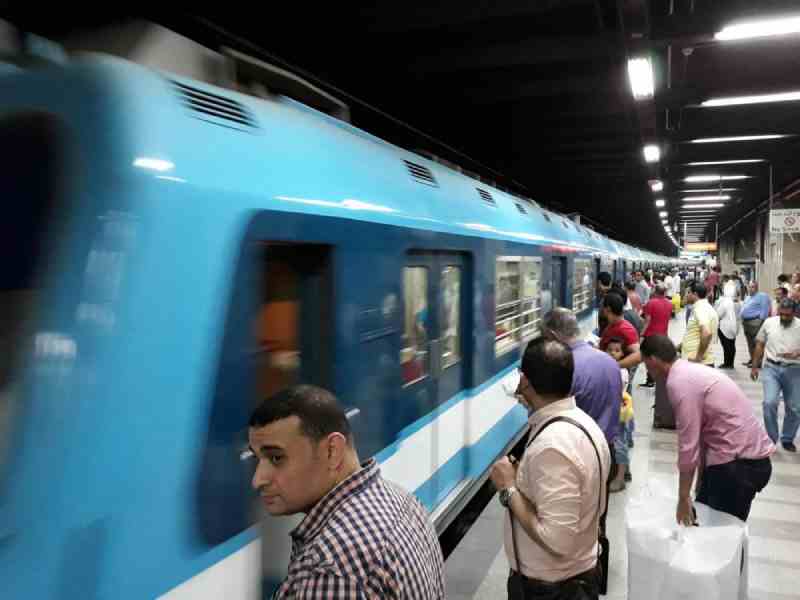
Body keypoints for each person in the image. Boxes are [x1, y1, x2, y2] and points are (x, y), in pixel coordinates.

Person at [248, 385, 445, 599]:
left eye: (277, 458)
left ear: (332, 451)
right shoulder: (404, 501)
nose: (257, 480)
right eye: (257, 459)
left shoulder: (329, 570)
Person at [490, 338, 609, 600]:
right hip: (576, 574)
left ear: (525, 382)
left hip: (551, 589)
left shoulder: (552, 447)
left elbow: (556, 539)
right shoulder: (584, 424)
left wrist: (509, 489)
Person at [640, 335, 774, 523]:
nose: (647, 370)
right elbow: (703, 434)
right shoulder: (690, 371)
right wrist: (700, 481)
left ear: (653, 360)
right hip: (747, 459)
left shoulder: (678, 382)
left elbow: (688, 444)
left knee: (721, 535)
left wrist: (683, 498)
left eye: (645, 364)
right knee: (708, 520)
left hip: (739, 465)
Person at [542, 308, 621, 447]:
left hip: (580, 450)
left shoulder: (565, 367)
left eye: (544, 337)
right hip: (607, 448)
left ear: (552, 335)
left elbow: (551, 417)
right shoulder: (610, 362)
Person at [750, 299, 800, 452]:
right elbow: (759, 344)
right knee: (769, 403)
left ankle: (787, 438)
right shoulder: (769, 323)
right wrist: (754, 366)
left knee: (795, 407)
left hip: (794, 369)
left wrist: (797, 353)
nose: (784, 318)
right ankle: (772, 438)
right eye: (782, 314)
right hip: (771, 367)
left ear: (794, 313)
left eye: (788, 315)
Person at [605, 338, 633, 492]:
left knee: (619, 443)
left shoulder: (621, 371)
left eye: (617, 350)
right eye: (610, 350)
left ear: (623, 354)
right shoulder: (611, 368)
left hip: (618, 411)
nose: (613, 353)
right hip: (614, 409)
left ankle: (620, 477)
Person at [678, 281, 718, 366]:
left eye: (688, 293)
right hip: (698, 362)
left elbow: (706, 333)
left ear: (695, 294)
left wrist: (698, 357)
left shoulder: (701, 309)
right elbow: (696, 333)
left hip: (699, 364)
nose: (686, 295)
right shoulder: (703, 307)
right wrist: (680, 346)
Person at [640, 284, 673, 386]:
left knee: (649, 358)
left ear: (655, 291)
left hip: (651, 335)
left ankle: (650, 380)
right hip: (663, 334)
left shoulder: (651, 303)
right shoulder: (669, 304)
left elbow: (647, 320)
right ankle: (660, 378)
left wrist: (641, 334)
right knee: (660, 358)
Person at [740, 281, 771, 367]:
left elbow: (765, 310)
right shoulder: (748, 297)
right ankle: (752, 360)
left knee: (757, 344)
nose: (750, 289)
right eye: (749, 287)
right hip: (746, 323)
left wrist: (760, 322)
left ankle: (757, 362)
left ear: (757, 287)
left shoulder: (762, 296)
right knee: (750, 344)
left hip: (756, 323)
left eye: (752, 287)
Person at [715, 282, 740, 369]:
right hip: (734, 327)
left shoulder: (725, 302)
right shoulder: (736, 301)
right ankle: (731, 363)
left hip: (724, 328)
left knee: (726, 346)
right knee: (732, 345)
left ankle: (727, 363)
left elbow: (718, 314)